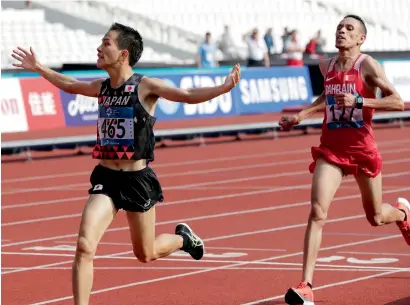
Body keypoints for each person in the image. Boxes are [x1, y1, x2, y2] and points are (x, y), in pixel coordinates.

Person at [11, 22, 241, 305]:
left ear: (123, 53)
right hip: (106, 178)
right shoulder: (102, 87)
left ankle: (183, 239)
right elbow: (70, 85)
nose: (99, 47)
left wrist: (224, 87)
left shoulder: (145, 86)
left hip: (137, 181)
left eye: (106, 43)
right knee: (84, 246)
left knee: (145, 253)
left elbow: (187, 96)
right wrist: (39, 68)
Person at [278, 15, 410, 305]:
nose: (342, 31)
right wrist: (299, 117)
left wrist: (360, 101)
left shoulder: (368, 65)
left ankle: (403, 215)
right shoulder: (329, 65)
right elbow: (326, 96)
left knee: (376, 217)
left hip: (362, 150)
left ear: (361, 38)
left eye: (349, 29)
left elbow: (397, 101)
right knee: (317, 212)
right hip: (332, 150)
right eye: (340, 27)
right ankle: (306, 286)